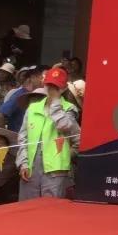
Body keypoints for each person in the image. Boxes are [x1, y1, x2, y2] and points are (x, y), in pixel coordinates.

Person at [15, 67, 80, 200]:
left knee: (51, 208)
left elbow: (65, 126)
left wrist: (55, 102)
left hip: (55, 170)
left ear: (63, 88)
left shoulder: (69, 108)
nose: (51, 89)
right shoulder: (33, 108)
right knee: (27, 207)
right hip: (31, 168)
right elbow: (22, 138)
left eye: (56, 86)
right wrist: (23, 163)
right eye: (49, 85)